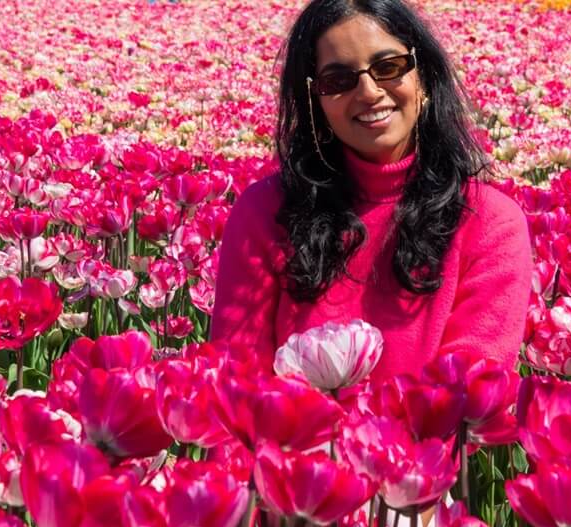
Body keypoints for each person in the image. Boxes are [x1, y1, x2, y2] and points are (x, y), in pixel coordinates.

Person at [209, 0, 532, 384]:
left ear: (423, 76)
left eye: (388, 67)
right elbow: (235, 388)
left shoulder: (487, 222)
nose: (368, 91)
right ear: (315, 101)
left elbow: (467, 392)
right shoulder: (266, 212)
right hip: (282, 443)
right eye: (338, 80)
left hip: (419, 445)